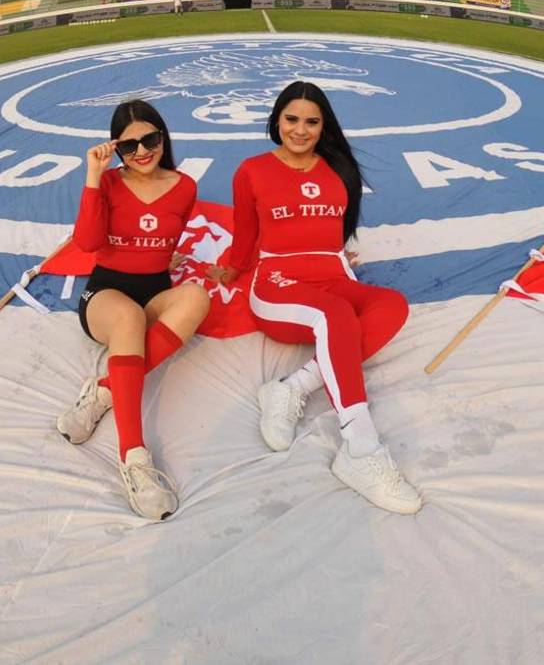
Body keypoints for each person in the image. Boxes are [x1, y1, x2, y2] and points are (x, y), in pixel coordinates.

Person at [207, 82, 422, 514]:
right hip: (278, 284)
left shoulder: (339, 170)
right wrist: (227, 268)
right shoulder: (251, 170)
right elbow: (246, 239)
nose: (300, 130)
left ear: (324, 126)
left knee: (391, 305)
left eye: (311, 121)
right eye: (291, 119)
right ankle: (361, 449)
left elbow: (333, 235)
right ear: (276, 120)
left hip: (332, 276)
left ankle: (291, 388)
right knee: (336, 313)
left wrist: (334, 257)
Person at [59, 100, 210, 520]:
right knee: (127, 318)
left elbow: (162, 240)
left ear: (163, 137)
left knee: (197, 297)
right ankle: (134, 459)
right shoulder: (106, 183)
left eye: (151, 139)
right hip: (105, 297)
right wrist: (93, 175)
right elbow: (88, 244)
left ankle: (107, 389)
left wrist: (163, 259)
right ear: (116, 149)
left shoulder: (185, 186)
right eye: (129, 146)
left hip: (153, 293)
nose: (142, 151)